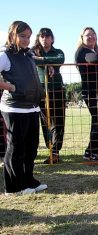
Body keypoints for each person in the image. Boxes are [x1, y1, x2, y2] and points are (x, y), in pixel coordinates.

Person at [0, 21, 47, 195]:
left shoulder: (28, 54)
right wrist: (10, 87)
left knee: (31, 147)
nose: (26, 39)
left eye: (28, 36)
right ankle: (13, 187)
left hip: (32, 107)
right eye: (22, 36)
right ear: (12, 35)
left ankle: (28, 180)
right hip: (14, 108)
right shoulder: (5, 55)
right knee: (16, 148)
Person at [75, 27, 98, 160]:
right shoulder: (83, 51)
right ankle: (93, 152)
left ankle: (94, 151)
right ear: (82, 38)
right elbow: (94, 60)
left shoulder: (95, 51)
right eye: (87, 35)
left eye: (93, 34)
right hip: (92, 92)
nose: (91, 37)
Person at [31, 28, 66, 164]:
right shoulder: (32, 51)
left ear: (52, 38)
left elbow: (60, 59)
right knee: (46, 122)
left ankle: (56, 151)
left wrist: (45, 61)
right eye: (42, 36)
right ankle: (50, 148)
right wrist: (49, 63)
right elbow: (32, 60)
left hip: (57, 90)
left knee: (59, 122)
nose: (45, 39)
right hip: (40, 91)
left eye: (47, 36)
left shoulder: (58, 52)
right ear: (39, 38)